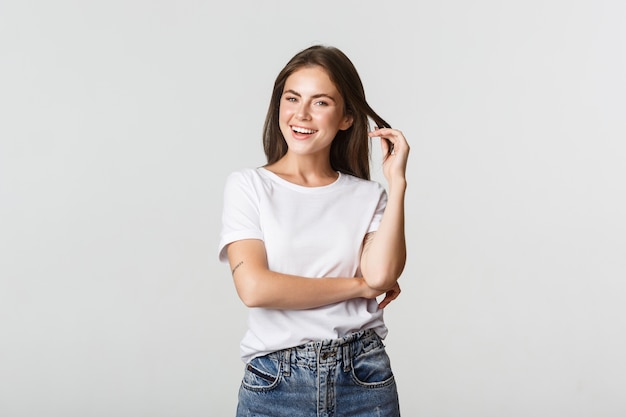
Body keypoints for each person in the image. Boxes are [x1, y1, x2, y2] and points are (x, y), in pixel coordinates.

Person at [218, 44, 409, 417]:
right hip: (275, 383)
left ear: (346, 118)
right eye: (292, 98)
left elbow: (383, 275)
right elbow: (255, 288)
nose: (301, 114)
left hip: (363, 377)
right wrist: (359, 287)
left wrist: (397, 183)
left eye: (320, 102)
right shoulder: (249, 187)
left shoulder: (369, 196)